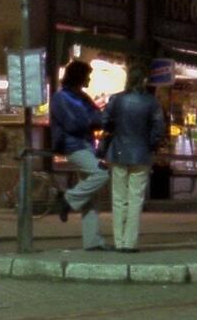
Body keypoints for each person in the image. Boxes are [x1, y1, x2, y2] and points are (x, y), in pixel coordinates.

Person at [102, 65, 166, 253]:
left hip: (118, 152)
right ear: (144, 81)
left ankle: (119, 241)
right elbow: (158, 129)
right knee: (135, 199)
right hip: (141, 154)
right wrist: (151, 145)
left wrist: (115, 130)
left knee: (119, 198)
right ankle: (130, 242)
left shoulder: (116, 100)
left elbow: (104, 121)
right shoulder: (151, 102)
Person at [49, 60, 110, 250]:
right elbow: (74, 123)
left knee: (91, 199)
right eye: (87, 75)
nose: (89, 79)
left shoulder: (81, 96)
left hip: (85, 144)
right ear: (79, 76)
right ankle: (68, 199)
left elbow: (97, 119)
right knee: (101, 174)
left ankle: (92, 242)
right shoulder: (61, 97)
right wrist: (92, 120)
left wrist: (94, 120)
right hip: (73, 146)